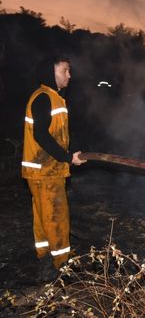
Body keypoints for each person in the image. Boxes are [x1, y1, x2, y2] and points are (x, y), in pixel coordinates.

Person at [21, 56, 86, 279]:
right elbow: (41, 135)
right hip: (46, 170)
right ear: (52, 72)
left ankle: (45, 253)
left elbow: (54, 135)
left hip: (41, 170)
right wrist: (67, 157)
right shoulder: (44, 98)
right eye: (65, 70)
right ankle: (62, 263)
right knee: (57, 215)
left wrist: (68, 155)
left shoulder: (52, 98)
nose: (69, 75)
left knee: (43, 215)